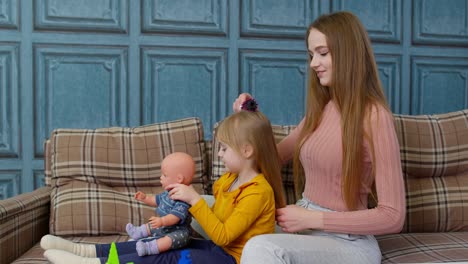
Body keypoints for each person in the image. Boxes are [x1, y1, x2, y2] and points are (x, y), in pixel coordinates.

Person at [233, 11, 406, 264]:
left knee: (260, 248)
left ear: (348, 53)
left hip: (347, 242)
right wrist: (249, 118)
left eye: (322, 53)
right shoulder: (322, 110)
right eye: (312, 54)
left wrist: (312, 219)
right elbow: (270, 159)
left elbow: (393, 216)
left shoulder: (375, 116)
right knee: (204, 208)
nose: (313, 63)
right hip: (306, 226)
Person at [40, 105, 286, 264]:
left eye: (223, 148)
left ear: (247, 150)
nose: (219, 154)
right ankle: (89, 252)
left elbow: (223, 236)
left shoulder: (258, 191)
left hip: (234, 259)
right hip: (218, 249)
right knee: (155, 243)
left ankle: (96, 263)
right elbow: (216, 225)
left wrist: (195, 201)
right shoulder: (229, 180)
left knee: (169, 257)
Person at [125, 151, 195, 256]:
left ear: (179, 179)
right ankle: (138, 232)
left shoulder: (183, 199)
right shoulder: (168, 193)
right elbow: (156, 200)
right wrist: (145, 198)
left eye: (164, 175)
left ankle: (149, 248)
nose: (161, 177)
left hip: (179, 231)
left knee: (169, 240)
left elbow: (175, 217)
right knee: (151, 225)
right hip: (165, 226)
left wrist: (162, 221)